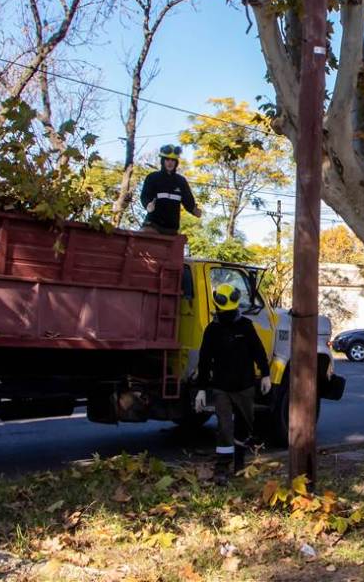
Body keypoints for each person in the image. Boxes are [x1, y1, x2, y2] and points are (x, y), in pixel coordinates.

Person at [194, 283, 271, 483]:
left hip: (244, 387)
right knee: (225, 428)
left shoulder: (245, 326)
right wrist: (201, 389)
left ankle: (239, 465)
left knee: (244, 427)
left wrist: (266, 374)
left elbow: (258, 351)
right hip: (222, 388)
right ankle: (222, 469)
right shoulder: (212, 330)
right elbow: (204, 361)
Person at [139, 144, 201, 234]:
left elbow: (188, 201)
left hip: (171, 228)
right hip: (153, 225)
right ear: (162, 161)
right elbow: (144, 196)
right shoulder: (153, 177)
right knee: (142, 238)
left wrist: (194, 210)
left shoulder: (181, 181)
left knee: (178, 245)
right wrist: (147, 204)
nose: (170, 163)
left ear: (176, 163)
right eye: (167, 160)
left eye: (173, 160)